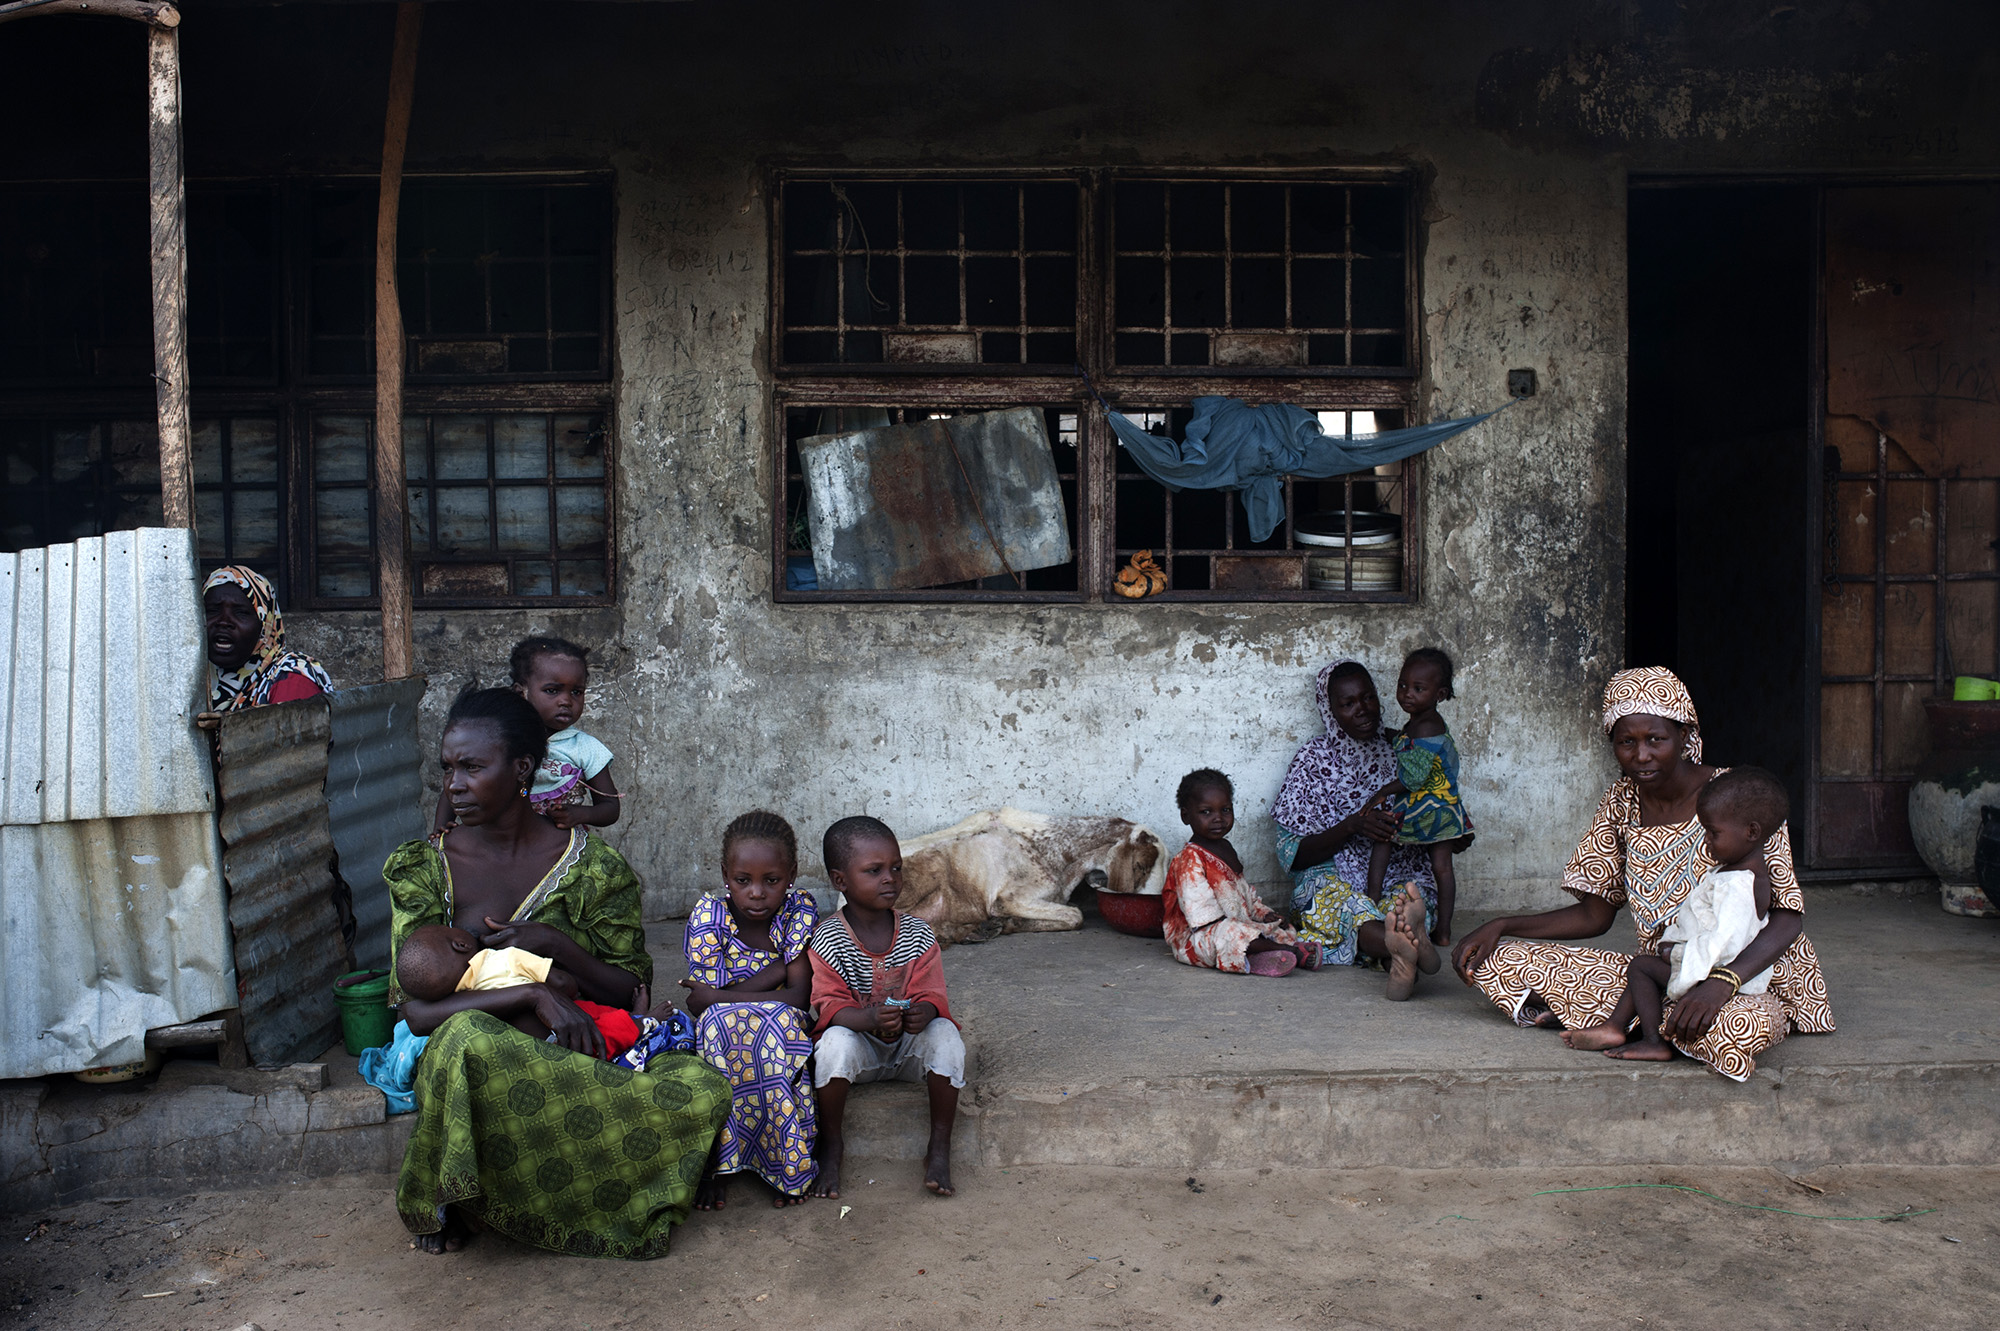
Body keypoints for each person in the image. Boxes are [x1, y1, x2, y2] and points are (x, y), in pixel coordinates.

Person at [387, 687, 728, 1257]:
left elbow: (628, 989)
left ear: (522, 768)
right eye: (447, 768)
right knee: (468, 1039)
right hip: (467, 1052)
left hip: (575, 1048)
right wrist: (532, 995)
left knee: (700, 1090)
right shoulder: (423, 866)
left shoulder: (595, 869)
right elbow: (416, 1012)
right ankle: (456, 1196)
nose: (454, 785)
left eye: (472, 767)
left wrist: (554, 944)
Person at [1452, 668, 1835, 1082]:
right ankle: (1655, 1024)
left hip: (1744, 976)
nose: (1641, 755)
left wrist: (1722, 982)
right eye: (1626, 742)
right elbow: (1594, 916)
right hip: (1659, 971)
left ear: (1684, 736)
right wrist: (1501, 925)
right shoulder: (1620, 803)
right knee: (1499, 959)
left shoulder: (1738, 796)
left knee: (1732, 1028)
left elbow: (1786, 918)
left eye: (1656, 739)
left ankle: (1645, 1024)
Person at [1562, 767, 1786, 1062]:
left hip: (1715, 974)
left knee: (1642, 968)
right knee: (1643, 967)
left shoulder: (1737, 886)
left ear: (1752, 832)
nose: (1706, 841)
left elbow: (1726, 942)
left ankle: (1649, 1039)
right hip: (1708, 966)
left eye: (1713, 833)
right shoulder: (1737, 873)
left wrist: (1678, 955)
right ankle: (1616, 1025)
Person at [1271, 659, 1460, 1000]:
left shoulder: (1404, 748)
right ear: (1329, 711)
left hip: (1397, 868)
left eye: (1368, 697)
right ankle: (1400, 946)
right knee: (1328, 901)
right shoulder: (1312, 760)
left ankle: (1398, 954)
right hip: (1331, 874)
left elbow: (1439, 801)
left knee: (1410, 897)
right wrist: (1352, 826)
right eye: (1347, 704)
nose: (1363, 710)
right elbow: (1293, 855)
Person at [807, 815, 963, 1201]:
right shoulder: (827, 939)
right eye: (874, 871)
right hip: (860, 1053)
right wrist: (868, 1018)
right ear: (840, 880)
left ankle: (939, 1147)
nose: (890, 878)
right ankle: (832, 1144)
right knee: (833, 1044)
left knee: (946, 1035)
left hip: (908, 1049)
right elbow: (828, 1006)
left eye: (896, 868)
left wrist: (925, 1012)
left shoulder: (918, 934)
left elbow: (933, 993)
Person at [680, 810, 820, 1211]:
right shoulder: (709, 915)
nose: (757, 893)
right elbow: (702, 1002)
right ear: (726, 875)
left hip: (782, 1018)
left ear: (791, 875)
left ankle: (786, 1163)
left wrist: (720, 997)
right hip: (724, 1024)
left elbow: (799, 998)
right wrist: (778, 969)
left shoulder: (798, 910)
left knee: (774, 1029)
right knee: (718, 1027)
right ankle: (717, 1166)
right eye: (743, 881)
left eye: (771, 881)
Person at [393, 921, 671, 1063]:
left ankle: (633, 1019)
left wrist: (554, 941)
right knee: (606, 1029)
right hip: (564, 1031)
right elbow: (562, 983)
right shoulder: (504, 958)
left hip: (524, 1053)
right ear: (461, 944)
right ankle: (643, 1023)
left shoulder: (458, 991)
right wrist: (541, 991)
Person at [432, 636, 620, 833]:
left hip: (560, 843)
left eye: (576, 692)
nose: (566, 701)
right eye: (552, 690)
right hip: (496, 839)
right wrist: (441, 828)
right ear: (521, 692)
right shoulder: (502, 739)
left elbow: (610, 808)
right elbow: (459, 780)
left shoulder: (586, 748)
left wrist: (580, 814)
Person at [1163, 769, 1322, 977]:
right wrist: (1243, 926)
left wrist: (1264, 915)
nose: (1218, 818)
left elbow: (1245, 896)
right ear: (1186, 816)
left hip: (1235, 926)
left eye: (1225, 810)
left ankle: (1258, 957)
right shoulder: (1188, 859)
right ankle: (1289, 952)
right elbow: (1202, 916)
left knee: (1281, 929)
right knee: (1232, 933)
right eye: (1206, 812)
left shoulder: (1226, 849)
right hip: (1197, 939)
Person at [1364, 648, 1467, 949]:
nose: (1407, 694)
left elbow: (1413, 778)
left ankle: (1371, 899)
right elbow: (1411, 745)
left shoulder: (1425, 726)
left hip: (1425, 806)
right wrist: (1393, 736)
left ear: (1440, 694)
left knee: (1383, 838)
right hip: (1446, 805)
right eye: (1403, 685)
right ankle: (1444, 931)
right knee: (1442, 868)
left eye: (1418, 688)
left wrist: (1382, 792)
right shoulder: (1422, 721)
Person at [199, 566, 331, 715]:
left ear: (265, 626)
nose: (223, 622)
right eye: (212, 611)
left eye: (241, 613)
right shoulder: (190, 682)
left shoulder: (291, 679)